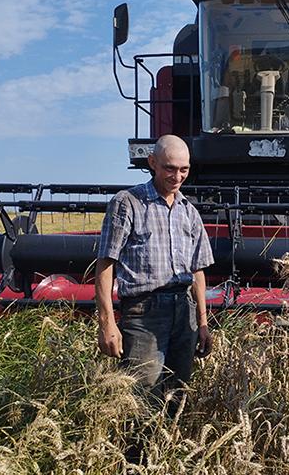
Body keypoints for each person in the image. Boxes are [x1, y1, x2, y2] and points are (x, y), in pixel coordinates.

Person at [94, 134, 214, 399]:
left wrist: (203, 323)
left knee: (178, 394)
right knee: (141, 397)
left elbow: (197, 270)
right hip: (143, 311)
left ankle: (168, 441)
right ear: (152, 162)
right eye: (169, 168)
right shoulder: (128, 203)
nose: (177, 176)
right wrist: (107, 323)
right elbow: (105, 264)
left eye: (184, 169)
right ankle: (137, 443)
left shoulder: (189, 210)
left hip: (185, 312)